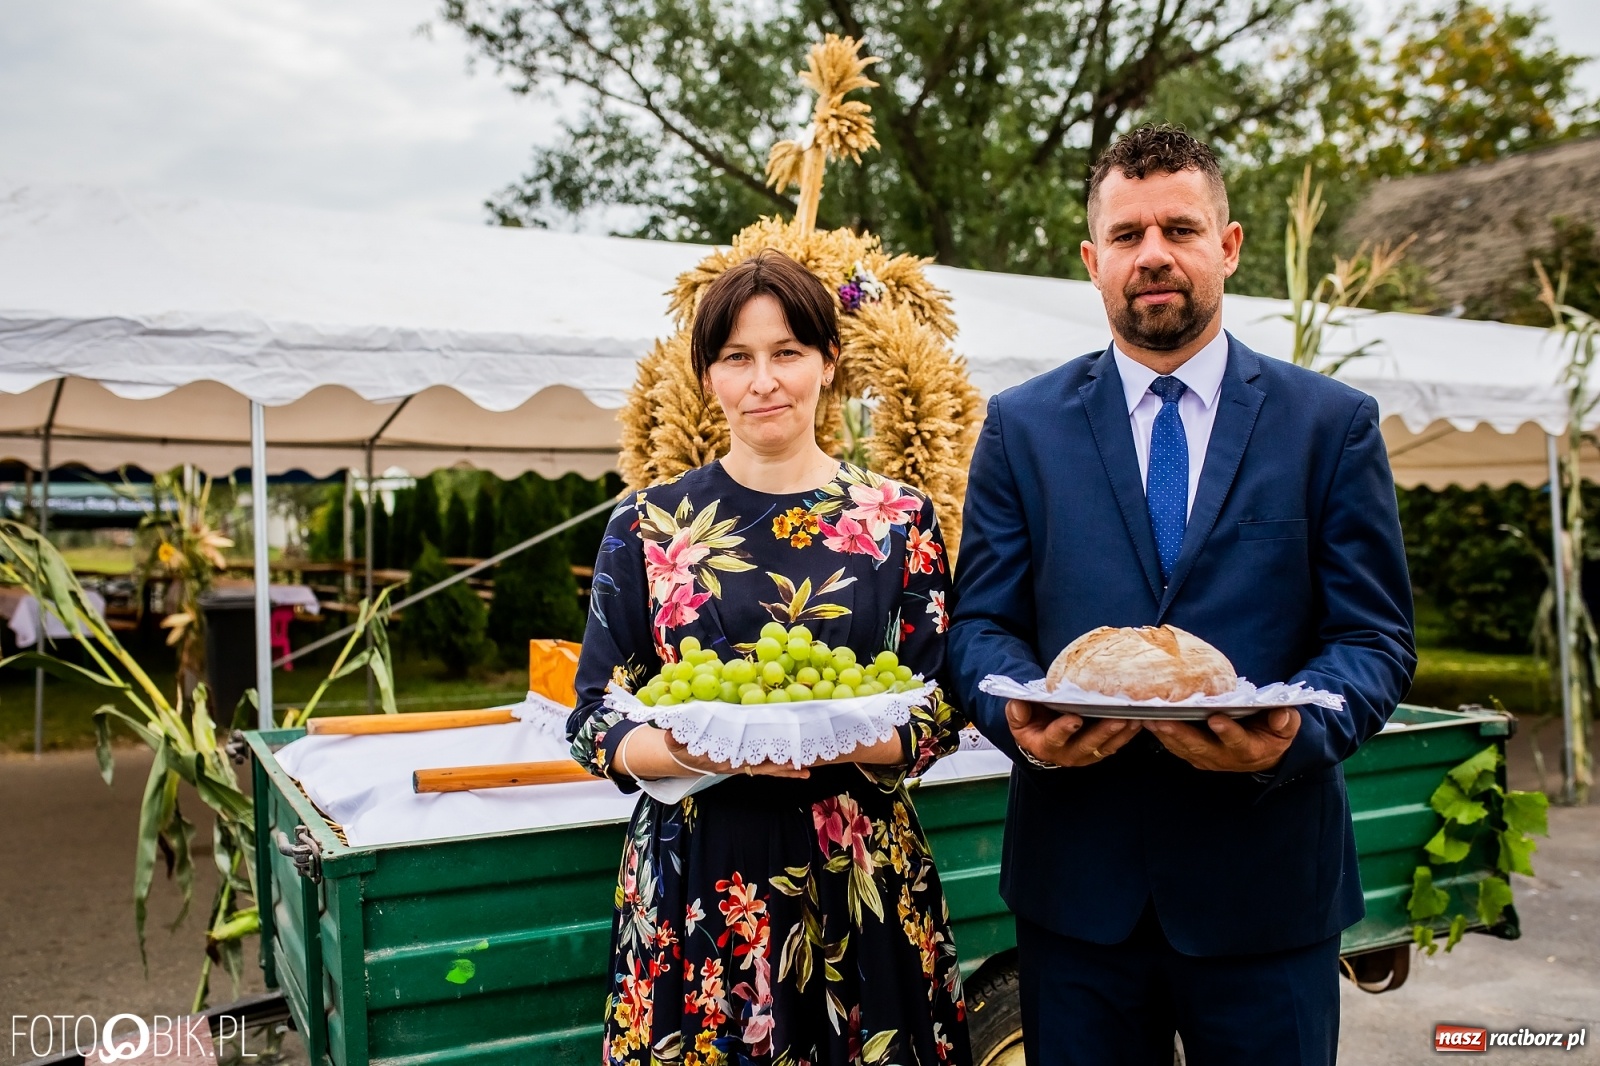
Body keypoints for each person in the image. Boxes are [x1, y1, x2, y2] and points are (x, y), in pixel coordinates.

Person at [946, 125, 1415, 1066]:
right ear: (1093, 262)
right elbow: (981, 625)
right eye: (1127, 235)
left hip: (1269, 890)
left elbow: (1374, 638)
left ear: (1227, 246)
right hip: (1078, 896)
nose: (1153, 254)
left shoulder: (1329, 425)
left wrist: (1294, 732)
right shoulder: (1022, 428)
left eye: (1180, 229)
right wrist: (1017, 718)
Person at [570, 249, 971, 1066]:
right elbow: (594, 719)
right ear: (707, 376)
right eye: (736, 357)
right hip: (696, 880)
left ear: (829, 361)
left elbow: (941, 705)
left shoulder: (898, 519)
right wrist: (696, 749)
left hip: (859, 875)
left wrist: (839, 736)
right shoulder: (647, 525)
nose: (764, 381)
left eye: (787, 352)